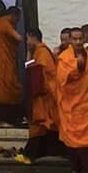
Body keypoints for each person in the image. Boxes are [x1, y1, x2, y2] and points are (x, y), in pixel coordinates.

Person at [55, 27, 88, 173]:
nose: (77, 42)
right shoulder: (64, 58)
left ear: (84, 39)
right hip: (71, 106)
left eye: (80, 39)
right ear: (69, 40)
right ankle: (76, 168)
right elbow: (62, 80)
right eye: (74, 39)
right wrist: (77, 67)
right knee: (73, 140)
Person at [17, 29, 60, 164]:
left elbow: (41, 76)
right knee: (46, 125)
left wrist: (40, 92)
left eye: (27, 39)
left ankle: (29, 155)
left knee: (39, 124)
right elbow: (27, 66)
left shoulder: (42, 52)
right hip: (41, 95)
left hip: (44, 95)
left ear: (33, 37)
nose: (26, 42)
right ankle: (45, 152)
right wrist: (29, 51)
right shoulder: (38, 51)